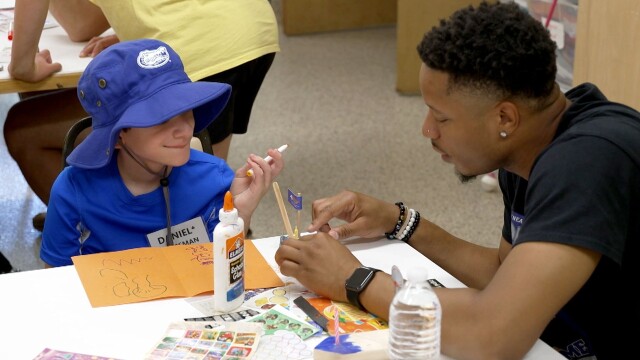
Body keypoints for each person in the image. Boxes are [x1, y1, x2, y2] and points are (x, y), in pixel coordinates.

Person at [275, 2, 639, 359]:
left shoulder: (587, 161)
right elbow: (505, 273)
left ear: (505, 119)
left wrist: (353, 280)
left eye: (441, 117)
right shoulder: (531, 143)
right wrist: (400, 222)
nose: (427, 130)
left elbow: (491, 334)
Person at [6, 0, 279, 230]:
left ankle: (104, 228)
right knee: (203, 180)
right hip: (251, 26)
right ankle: (217, 231)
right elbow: (82, 26)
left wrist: (22, 66)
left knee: (23, 130)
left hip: (197, 45)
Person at [41, 38, 284, 268]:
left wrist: (240, 216)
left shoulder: (215, 178)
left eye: (186, 110)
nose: (184, 130)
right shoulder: (74, 190)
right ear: (117, 136)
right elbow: (54, 279)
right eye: (161, 119)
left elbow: (226, 269)